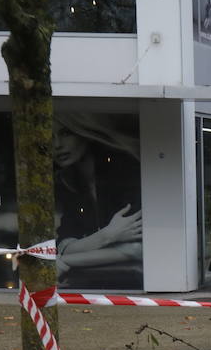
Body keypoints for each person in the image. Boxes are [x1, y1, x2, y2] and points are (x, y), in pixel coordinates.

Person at [52, 113, 144, 288]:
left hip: (136, 283)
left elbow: (135, 249)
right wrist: (108, 236)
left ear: (84, 133)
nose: (57, 145)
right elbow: (64, 243)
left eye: (65, 134)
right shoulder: (68, 182)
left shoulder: (124, 172)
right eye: (49, 137)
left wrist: (64, 261)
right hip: (99, 282)